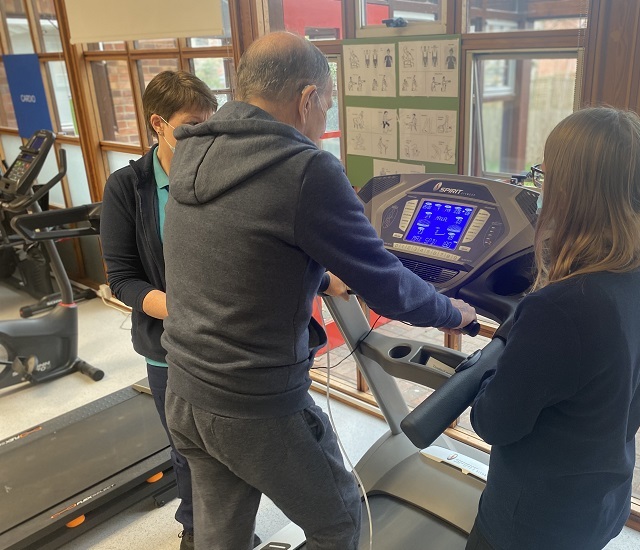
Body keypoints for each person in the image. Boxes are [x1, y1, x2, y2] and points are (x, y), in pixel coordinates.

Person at [161, 32, 476, 550]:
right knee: (340, 521)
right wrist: (453, 315)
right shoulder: (305, 168)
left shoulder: (193, 150)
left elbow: (238, 243)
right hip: (256, 405)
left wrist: (316, 270)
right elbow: (391, 289)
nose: (324, 120)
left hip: (187, 390)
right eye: (327, 105)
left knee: (221, 530)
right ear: (307, 98)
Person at [466, 107, 640, 550]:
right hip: (599, 503)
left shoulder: (562, 309)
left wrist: (490, 368)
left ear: (566, 189)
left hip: (529, 523)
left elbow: (493, 423)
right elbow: (633, 385)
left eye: (545, 175)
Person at [99, 71, 219, 549]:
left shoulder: (218, 176)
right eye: (192, 124)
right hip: (168, 343)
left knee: (230, 446)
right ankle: (194, 528)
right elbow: (123, 278)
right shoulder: (127, 188)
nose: (204, 136)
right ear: (157, 124)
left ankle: (230, 525)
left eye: (211, 125)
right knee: (188, 448)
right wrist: (180, 309)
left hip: (221, 340)